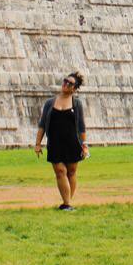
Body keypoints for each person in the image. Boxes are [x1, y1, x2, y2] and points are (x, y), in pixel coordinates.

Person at [34, 71, 88, 210]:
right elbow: (42, 125)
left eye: (70, 83)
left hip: (73, 143)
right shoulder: (50, 103)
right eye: (65, 81)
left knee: (71, 172)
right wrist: (38, 143)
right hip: (55, 143)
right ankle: (67, 204)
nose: (65, 84)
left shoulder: (77, 104)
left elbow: (81, 127)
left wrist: (84, 145)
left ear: (74, 89)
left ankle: (67, 202)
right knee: (60, 171)